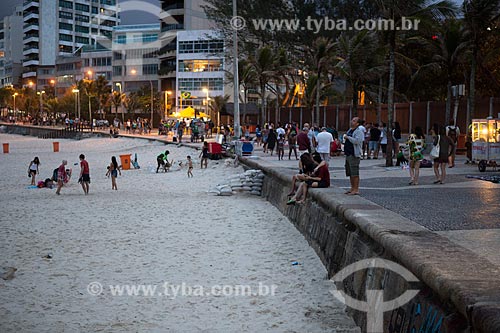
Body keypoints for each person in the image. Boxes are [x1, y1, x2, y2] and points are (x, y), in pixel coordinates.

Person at [343, 117, 364, 195]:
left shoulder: (359, 132)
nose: (352, 121)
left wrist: (348, 137)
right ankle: (352, 188)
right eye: (352, 120)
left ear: (358, 123)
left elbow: (357, 141)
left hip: (354, 154)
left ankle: (356, 189)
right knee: (350, 172)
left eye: (354, 121)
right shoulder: (350, 130)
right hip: (348, 154)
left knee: (355, 172)